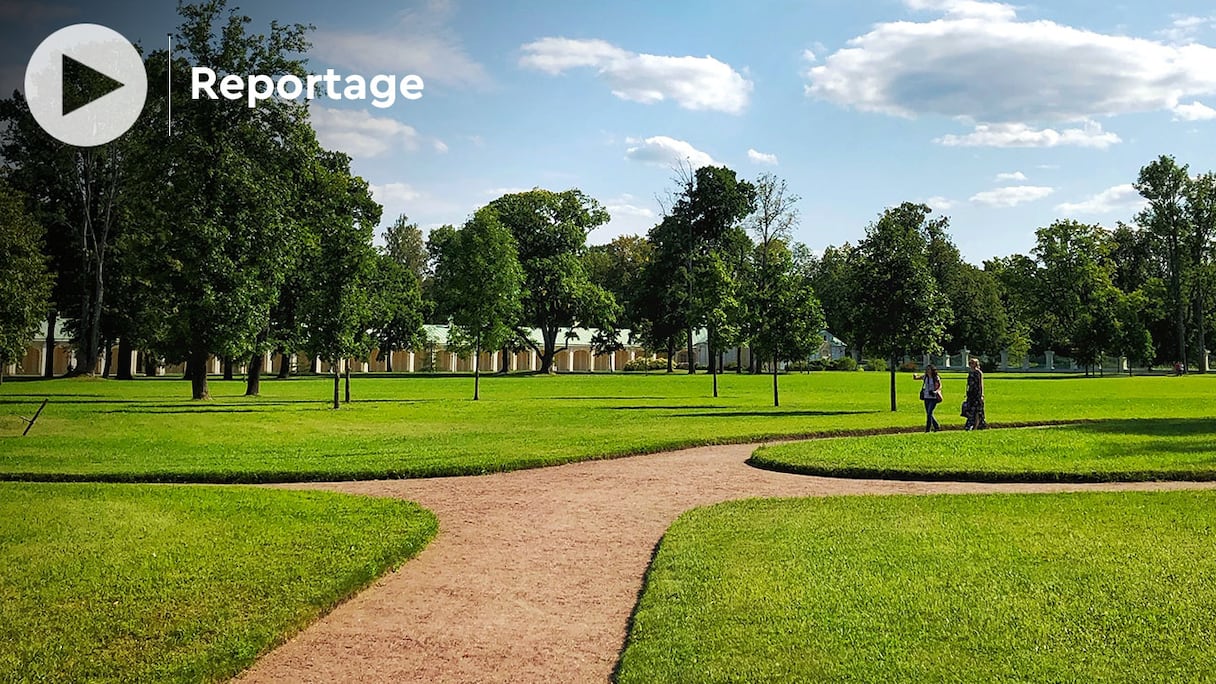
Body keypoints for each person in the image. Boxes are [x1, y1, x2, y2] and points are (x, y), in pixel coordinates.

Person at [913, 364, 942, 432]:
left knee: (929, 413)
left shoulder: (936, 377)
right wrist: (914, 375)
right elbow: (916, 378)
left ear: (932, 370)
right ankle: (936, 426)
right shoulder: (925, 377)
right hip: (926, 397)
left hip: (933, 398)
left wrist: (935, 391)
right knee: (929, 413)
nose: (927, 371)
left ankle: (928, 429)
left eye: (929, 369)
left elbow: (940, 386)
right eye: (927, 369)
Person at [963, 357, 987, 430]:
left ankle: (975, 426)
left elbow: (980, 384)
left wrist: (981, 394)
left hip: (977, 394)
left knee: (977, 411)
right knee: (971, 410)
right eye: (970, 363)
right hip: (971, 394)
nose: (971, 364)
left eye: (972, 363)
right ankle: (972, 425)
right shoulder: (970, 372)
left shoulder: (978, 372)